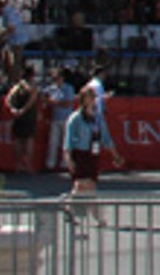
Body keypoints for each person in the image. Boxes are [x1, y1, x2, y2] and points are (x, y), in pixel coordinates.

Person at [62, 82, 123, 216]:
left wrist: (115, 155)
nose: (92, 100)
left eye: (93, 97)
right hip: (80, 154)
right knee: (81, 184)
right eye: (89, 97)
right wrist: (68, 159)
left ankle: (76, 209)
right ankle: (84, 211)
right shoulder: (75, 118)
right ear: (83, 99)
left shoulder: (98, 118)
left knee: (90, 185)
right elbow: (68, 140)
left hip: (93, 154)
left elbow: (106, 138)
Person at [4, 66, 43, 172]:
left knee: (18, 140)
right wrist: (24, 110)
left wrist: (13, 109)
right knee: (28, 141)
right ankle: (28, 165)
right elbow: (32, 101)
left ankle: (18, 164)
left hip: (18, 116)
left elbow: (8, 99)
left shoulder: (17, 87)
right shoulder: (32, 87)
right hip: (29, 116)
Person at [42, 67, 79, 171]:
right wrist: (47, 99)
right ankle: (50, 164)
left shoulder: (69, 88)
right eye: (54, 78)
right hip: (55, 118)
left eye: (57, 78)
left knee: (66, 142)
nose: (56, 80)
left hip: (66, 118)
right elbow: (43, 96)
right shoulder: (51, 88)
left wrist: (53, 102)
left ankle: (65, 164)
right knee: (53, 142)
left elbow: (68, 103)